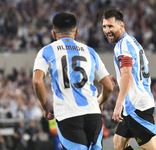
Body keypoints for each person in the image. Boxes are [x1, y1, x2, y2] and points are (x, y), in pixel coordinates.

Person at [32, 12, 113, 150]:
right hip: (93, 114)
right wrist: (100, 102)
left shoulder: (46, 51)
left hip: (68, 115)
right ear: (76, 32)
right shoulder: (90, 51)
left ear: (53, 34)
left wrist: (45, 106)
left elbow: (37, 81)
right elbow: (109, 86)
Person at [102, 8, 156, 150]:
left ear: (121, 25)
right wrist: (120, 79)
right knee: (119, 143)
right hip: (136, 102)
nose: (107, 30)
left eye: (111, 26)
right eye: (104, 26)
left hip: (136, 105)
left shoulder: (122, 45)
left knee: (150, 147)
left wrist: (118, 104)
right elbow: (140, 70)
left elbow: (127, 75)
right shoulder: (132, 41)